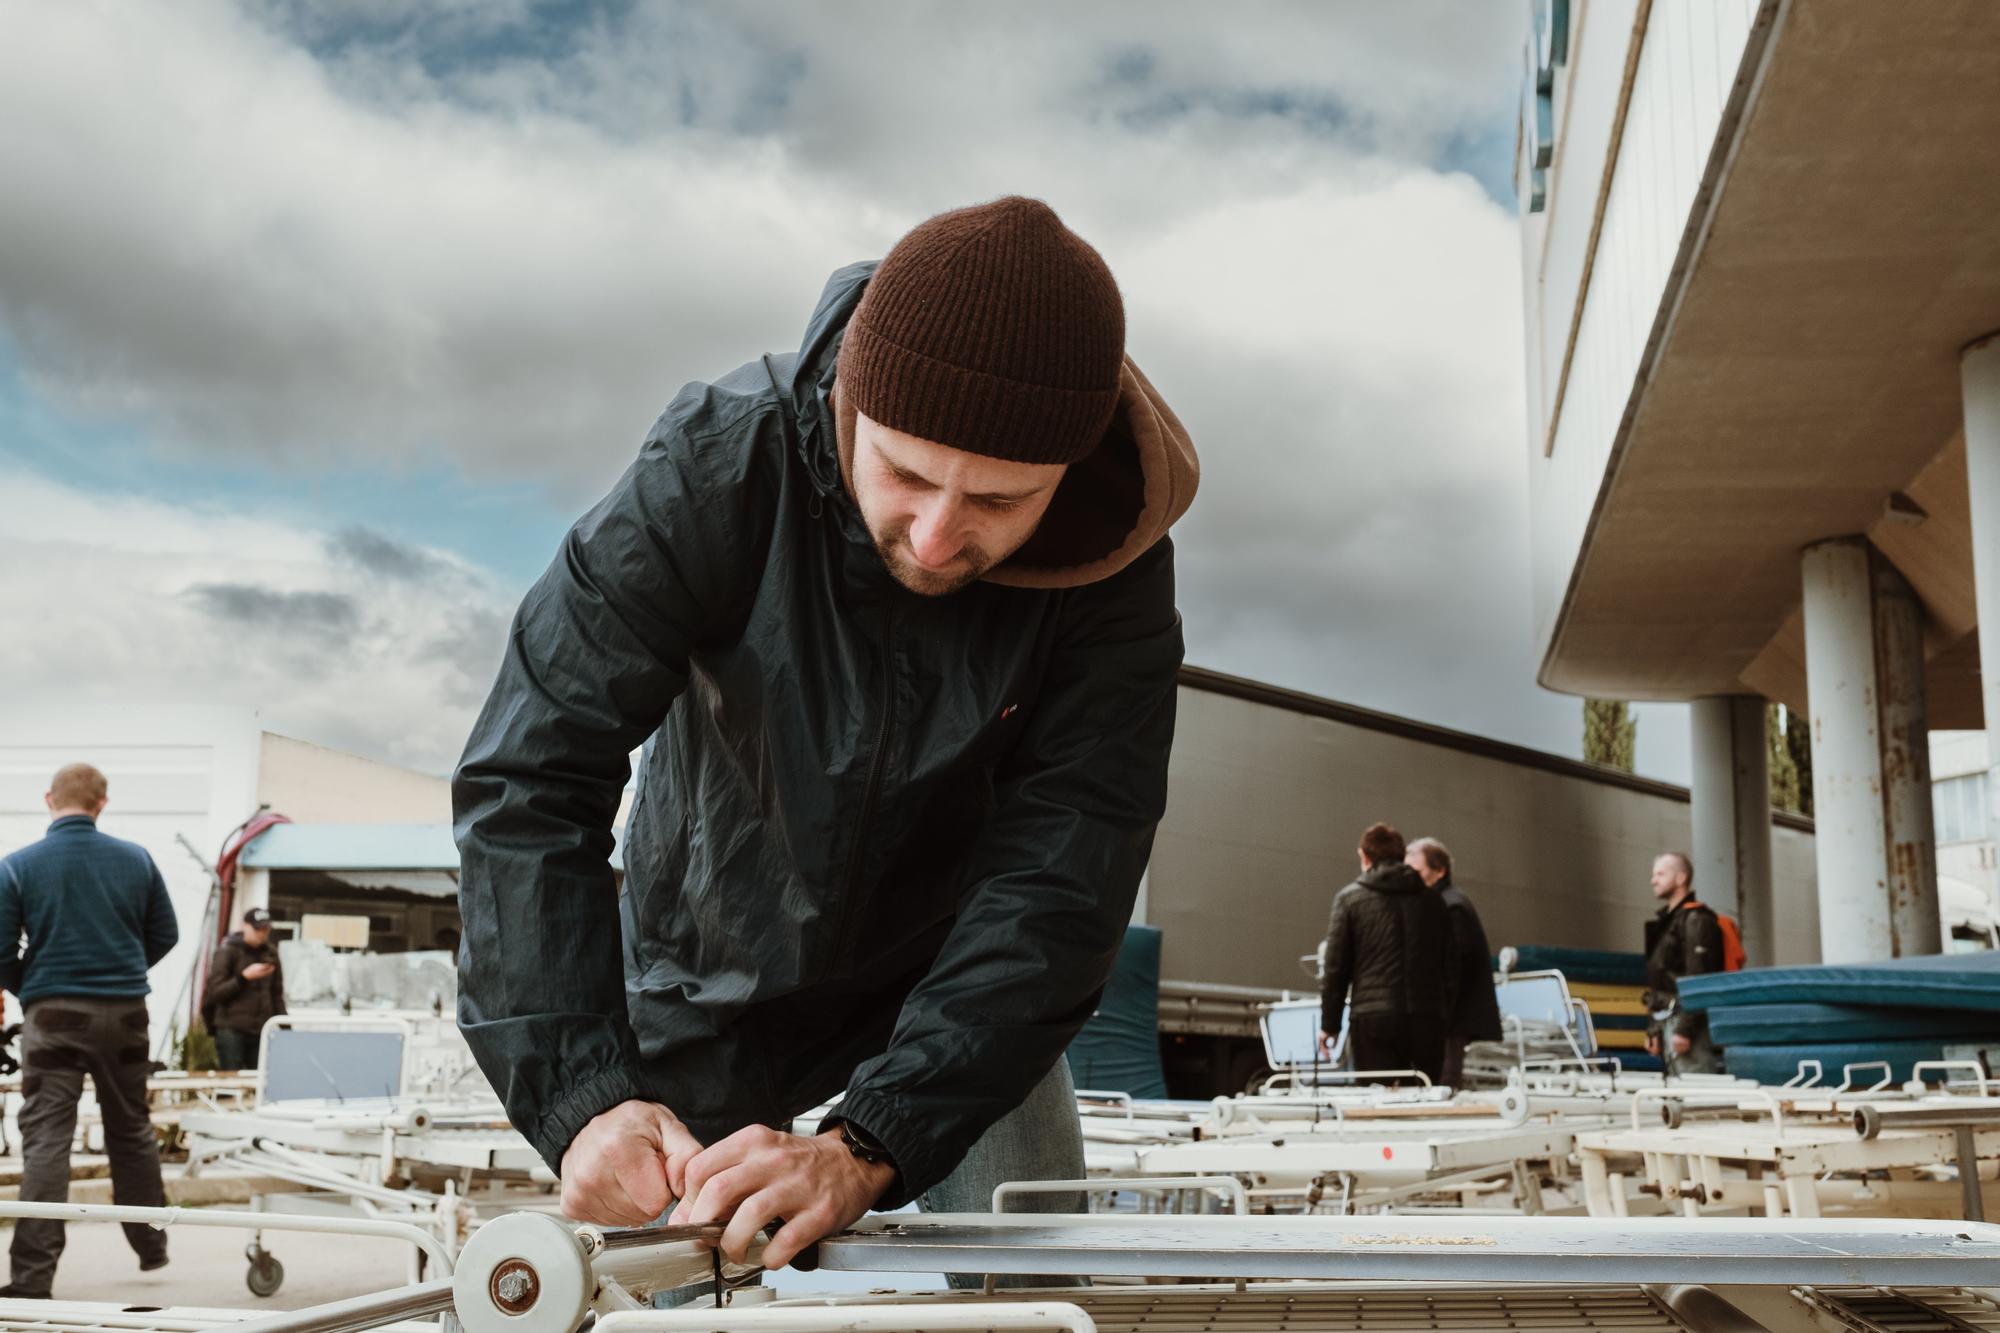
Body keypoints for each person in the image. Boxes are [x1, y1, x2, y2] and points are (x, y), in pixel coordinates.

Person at [455, 196, 1198, 1275]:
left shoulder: (1111, 558)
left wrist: (871, 1139)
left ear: (1068, 475)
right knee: (670, 1301)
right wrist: (580, 1098)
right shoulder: (714, 467)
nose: (939, 536)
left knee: (1022, 1295)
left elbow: (1067, 862)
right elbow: (529, 772)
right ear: (851, 403)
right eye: (904, 473)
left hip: (951, 999)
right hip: (699, 986)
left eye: (998, 498)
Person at [0, 763, 177, 1298]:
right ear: (102, 803)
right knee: (130, 1128)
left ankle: (32, 1280)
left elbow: (1, 951)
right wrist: (121, 971)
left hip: (52, 1017)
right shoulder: (136, 859)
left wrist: (36, 986)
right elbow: (164, 933)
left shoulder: (17, 866)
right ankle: (152, 1242)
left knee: (48, 1140)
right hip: (126, 1015)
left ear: (48, 799)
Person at [1320, 822, 1456, 1083]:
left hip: (1373, 1019)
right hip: (1426, 1019)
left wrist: (1330, 1025)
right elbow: (1450, 965)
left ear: (1364, 856)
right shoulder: (1434, 901)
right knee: (1424, 1102)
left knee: (1376, 1104)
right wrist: (1442, 1014)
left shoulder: (1349, 899)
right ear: (1401, 856)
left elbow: (1336, 968)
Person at [1406, 837, 1502, 1087]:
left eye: (1417, 870)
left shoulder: (1451, 905)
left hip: (1451, 1015)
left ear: (1439, 871)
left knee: (1444, 1080)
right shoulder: (1444, 902)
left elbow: (1455, 964)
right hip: (1446, 1012)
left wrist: (1436, 1008)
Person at [1643, 852, 1725, 1075]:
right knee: (1677, 1095)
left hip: (1685, 1023)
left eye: (1661, 874)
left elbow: (1700, 977)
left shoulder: (1697, 920)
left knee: (1695, 1091)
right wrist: (1654, 1029)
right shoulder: (1667, 923)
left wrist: (1686, 1029)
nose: (1654, 880)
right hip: (1668, 1021)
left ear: (1681, 878)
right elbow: (1658, 980)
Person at [202, 906, 285, 1070]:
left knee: (260, 1082)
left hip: (261, 1030)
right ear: (245, 926)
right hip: (230, 1029)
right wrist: (244, 978)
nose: (262, 933)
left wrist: (286, 1027)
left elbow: (276, 994)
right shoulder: (227, 951)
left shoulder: (271, 953)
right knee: (231, 1084)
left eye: (265, 929)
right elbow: (215, 993)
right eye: (258, 929)